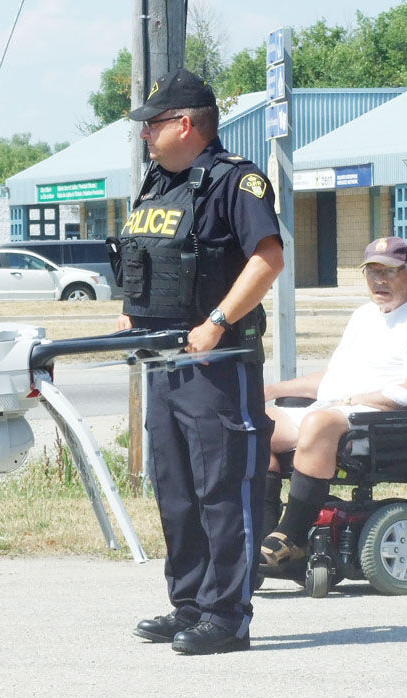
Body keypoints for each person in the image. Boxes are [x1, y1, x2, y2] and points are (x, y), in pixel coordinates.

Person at [120, 67, 284, 655]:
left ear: (185, 124)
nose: (145, 134)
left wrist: (217, 323)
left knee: (222, 491)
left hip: (219, 366)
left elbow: (268, 259)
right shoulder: (158, 184)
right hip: (165, 364)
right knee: (178, 491)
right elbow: (150, 263)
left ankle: (226, 615)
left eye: (153, 124)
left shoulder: (235, 183)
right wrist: (131, 315)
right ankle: (188, 603)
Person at [259, 236, 407, 566]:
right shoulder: (365, 315)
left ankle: (291, 536)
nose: (379, 281)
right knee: (254, 424)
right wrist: (272, 390)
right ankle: (262, 534)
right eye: (372, 272)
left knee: (318, 423)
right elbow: (333, 379)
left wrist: (360, 398)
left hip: (385, 421)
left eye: (389, 272)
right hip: (339, 408)